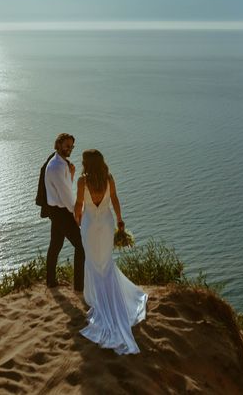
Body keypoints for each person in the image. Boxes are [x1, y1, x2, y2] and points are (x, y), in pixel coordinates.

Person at [74, 149, 147, 354]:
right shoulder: (109, 179)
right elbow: (114, 199)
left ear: (87, 163)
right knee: (105, 262)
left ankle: (95, 298)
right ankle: (108, 297)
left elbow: (79, 205)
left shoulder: (82, 182)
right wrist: (121, 219)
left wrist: (77, 219)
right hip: (106, 224)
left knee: (92, 261)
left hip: (89, 225)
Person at [45, 133, 85, 291]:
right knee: (81, 246)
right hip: (61, 212)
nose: (70, 149)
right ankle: (79, 286)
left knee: (55, 245)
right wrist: (77, 215)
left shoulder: (60, 163)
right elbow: (67, 196)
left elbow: (64, 188)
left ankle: (50, 281)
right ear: (59, 144)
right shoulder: (57, 167)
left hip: (57, 210)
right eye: (67, 146)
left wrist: (72, 174)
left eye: (72, 146)